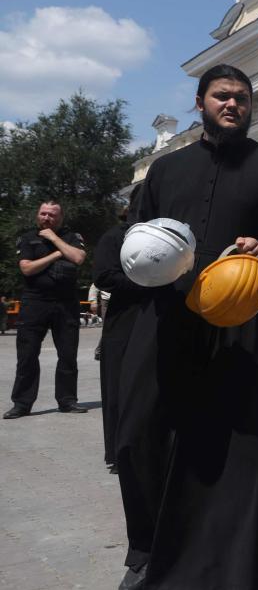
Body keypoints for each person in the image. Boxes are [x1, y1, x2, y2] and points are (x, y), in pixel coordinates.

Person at [113, 64, 258, 590]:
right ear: (200, 102)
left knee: (222, 447)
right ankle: (146, 549)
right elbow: (136, 235)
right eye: (222, 97)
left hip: (235, 322)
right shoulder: (166, 170)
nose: (233, 106)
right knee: (138, 434)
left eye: (242, 99)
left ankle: (205, 570)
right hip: (165, 317)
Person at [6, 200, 87, 419]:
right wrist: (57, 254)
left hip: (66, 303)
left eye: (52, 215)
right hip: (35, 302)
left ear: (60, 218)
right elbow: (27, 268)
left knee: (68, 355)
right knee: (27, 355)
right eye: (43, 214)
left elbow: (78, 257)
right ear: (37, 215)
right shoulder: (28, 238)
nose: (46, 218)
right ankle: (22, 404)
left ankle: (67, 401)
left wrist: (54, 239)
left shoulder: (73, 237)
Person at [92, 186, 144, 471]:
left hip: (160, 318)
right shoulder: (114, 237)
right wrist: (144, 283)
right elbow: (103, 275)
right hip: (124, 320)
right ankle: (118, 452)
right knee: (118, 385)